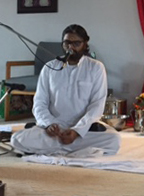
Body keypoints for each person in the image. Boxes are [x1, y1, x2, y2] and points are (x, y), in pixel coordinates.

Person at [11, 24, 121, 157]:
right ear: (62, 44)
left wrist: (77, 131)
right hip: (55, 129)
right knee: (17, 139)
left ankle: (54, 149)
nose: (71, 47)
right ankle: (73, 150)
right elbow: (39, 103)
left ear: (85, 44)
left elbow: (96, 106)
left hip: (83, 129)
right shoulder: (49, 67)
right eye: (67, 43)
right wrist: (49, 124)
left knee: (114, 140)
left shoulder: (96, 67)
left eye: (76, 43)